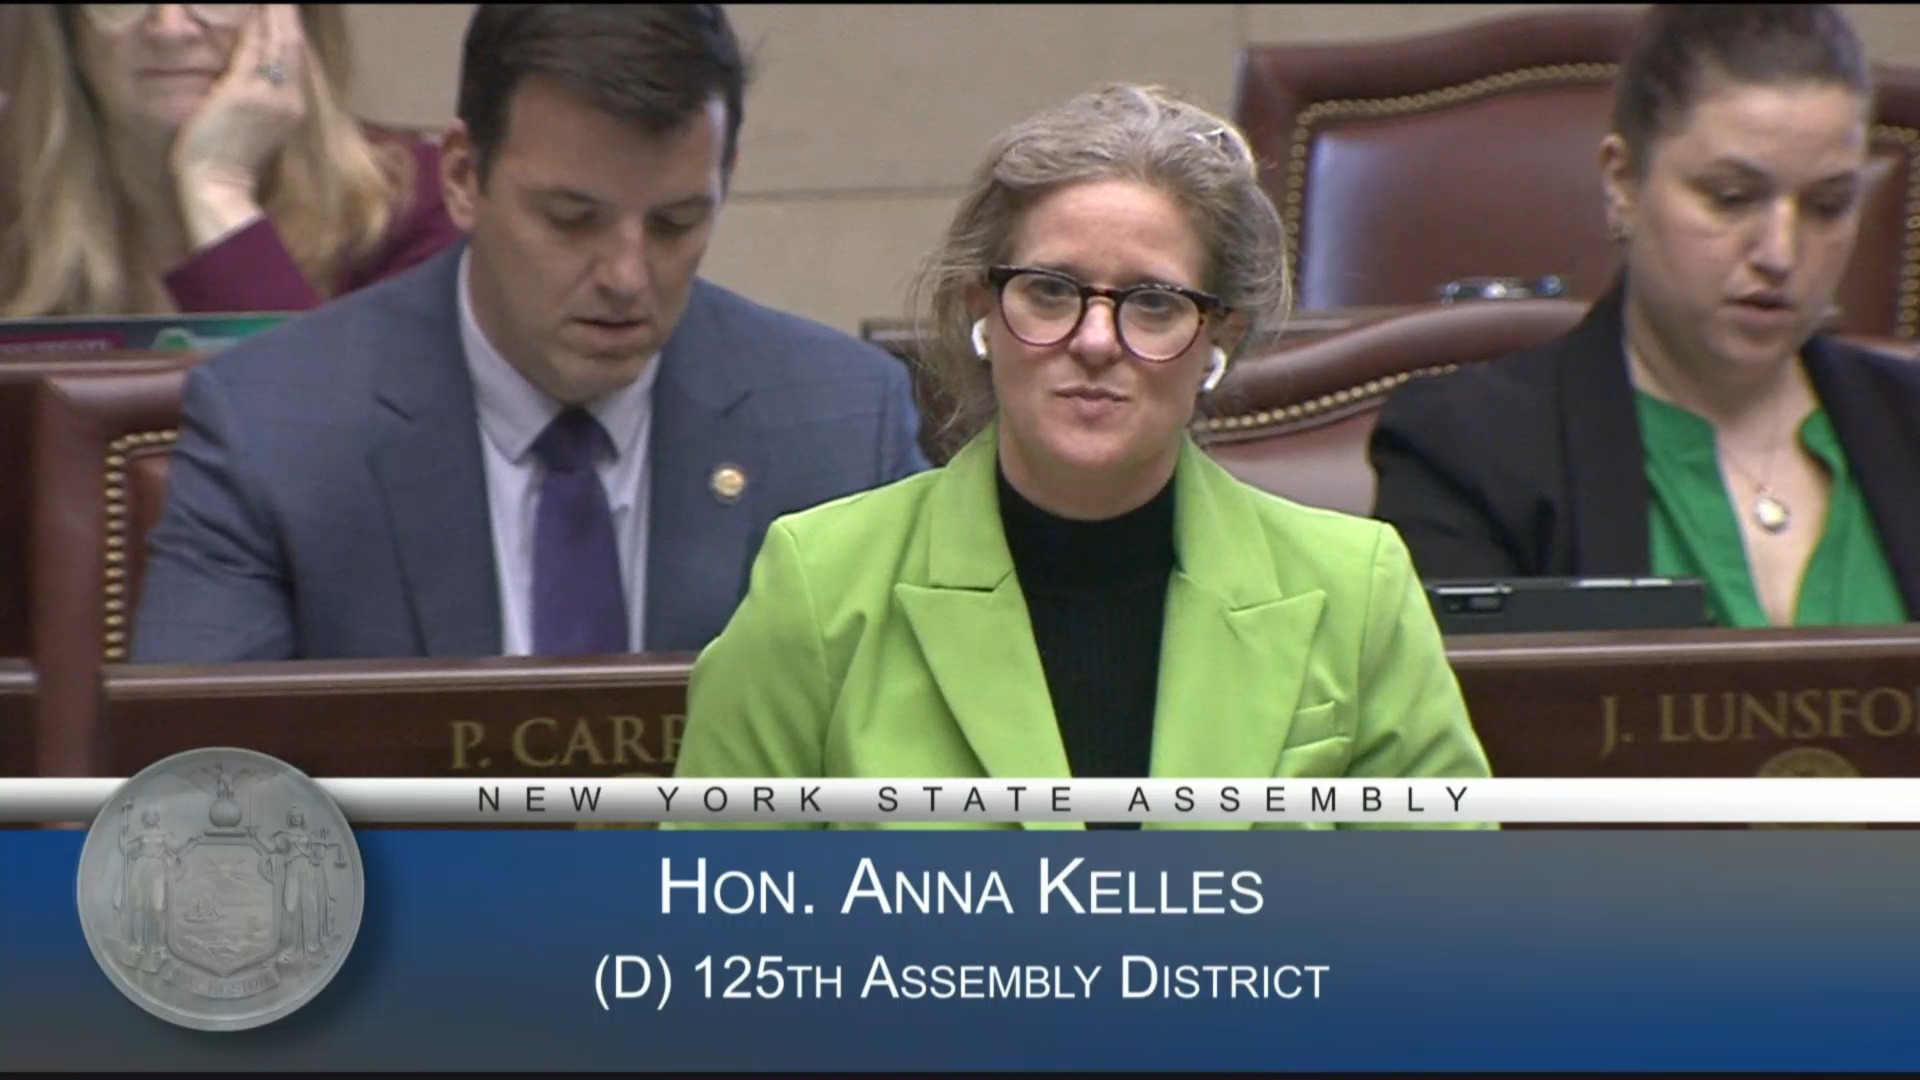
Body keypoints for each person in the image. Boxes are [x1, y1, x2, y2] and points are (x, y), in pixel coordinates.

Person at [671, 84, 1491, 830]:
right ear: (983, 312)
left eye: (1154, 302)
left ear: (1218, 336)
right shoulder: (819, 587)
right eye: (1050, 291)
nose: (1096, 341)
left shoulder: (1356, 592)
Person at [130, 4, 927, 662]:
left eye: (676, 223)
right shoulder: (272, 427)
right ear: (462, 177)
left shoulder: (841, 426)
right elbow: (198, 777)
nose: (626, 276)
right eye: (571, 219)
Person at [1370, 5, 1920, 629]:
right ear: (1623, 182)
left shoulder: (1907, 420)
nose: (1780, 253)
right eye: (1731, 198)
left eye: (1828, 205)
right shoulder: (1469, 449)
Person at [0, 4, 461, 316]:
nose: (170, 28)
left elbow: (319, 418)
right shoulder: (11, 206)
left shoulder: (420, 203)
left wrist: (218, 186)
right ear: (68, 26)